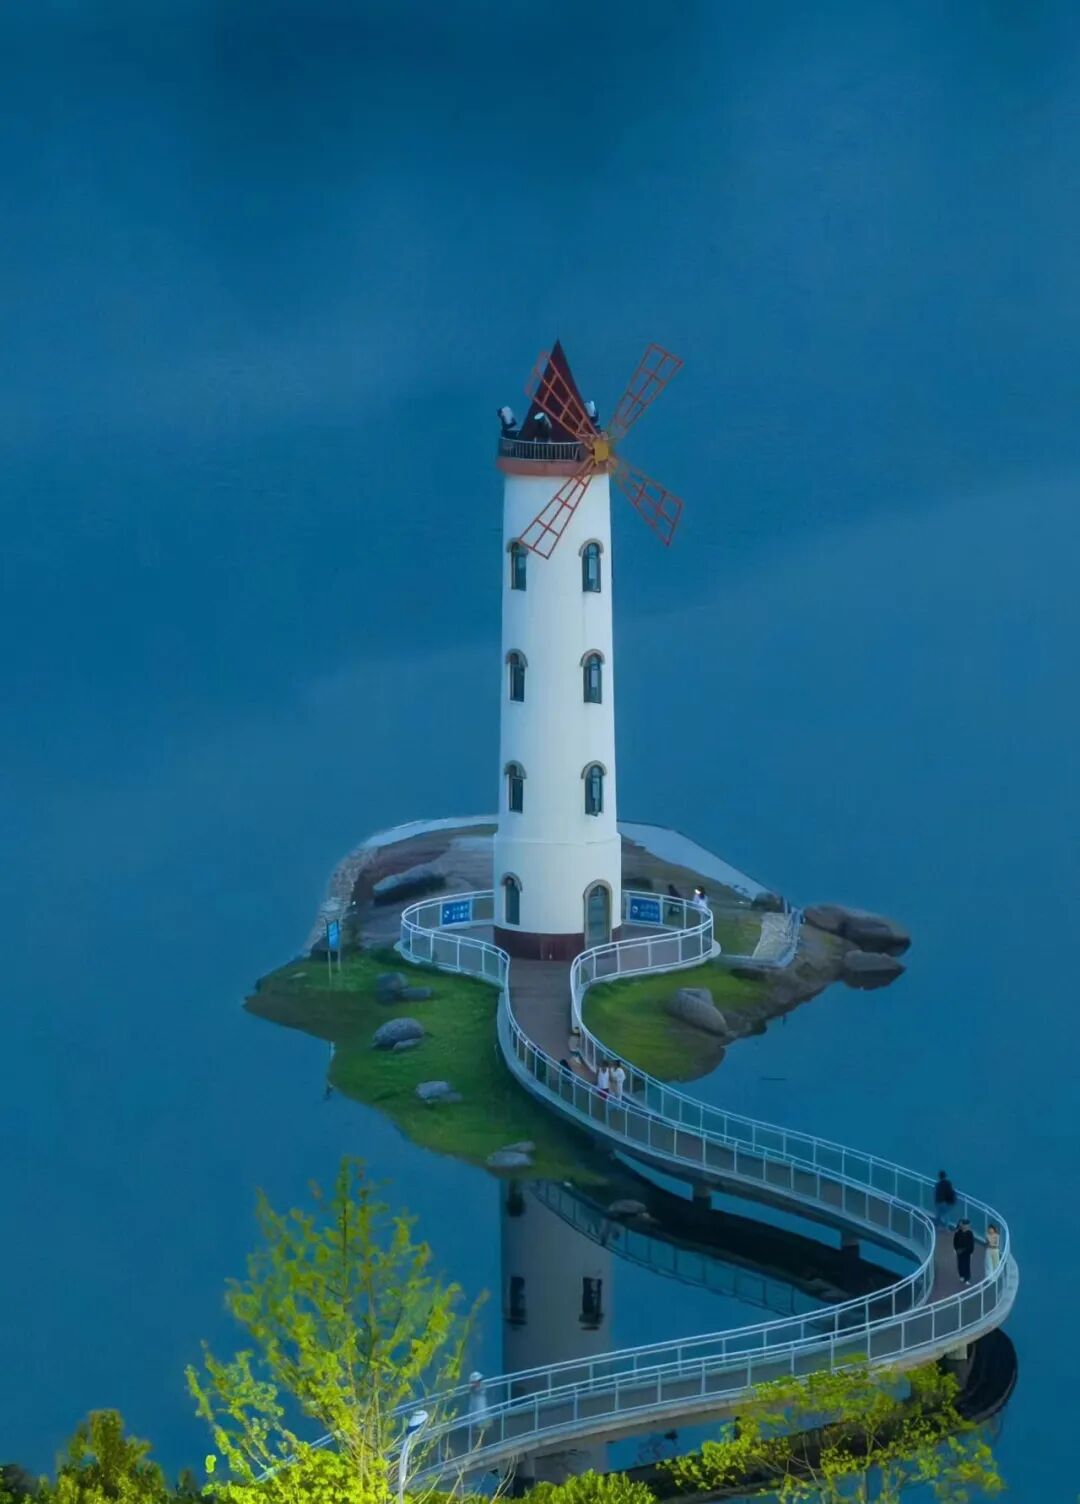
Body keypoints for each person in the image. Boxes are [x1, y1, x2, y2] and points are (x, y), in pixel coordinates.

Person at [467, 1371, 490, 1448]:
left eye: (479, 1381)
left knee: (483, 1429)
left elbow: (480, 1390)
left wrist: (475, 1387)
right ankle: (475, 1447)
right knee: (475, 1432)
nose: (478, 1383)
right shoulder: (472, 1389)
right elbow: (471, 1389)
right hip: (475, 1413)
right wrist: (472, 1387)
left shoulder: (482, 1387)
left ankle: (483, 1445)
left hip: (482, 1412)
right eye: (477, 1381)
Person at [953, 1219, 975, 1285]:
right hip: (959, 1250)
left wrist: (971, 1252)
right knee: (960, 1263)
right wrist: (955, 1249)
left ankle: (967, 1278)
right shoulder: (958, 1232)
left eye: (967, 1225)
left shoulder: (970, 1233)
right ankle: (961, 1275)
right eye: (965, 1225)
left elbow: (972, 1243)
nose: (966, 1226)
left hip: (967, 1251)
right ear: (962, 1225)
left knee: (967, 1264)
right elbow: (955, 1241)